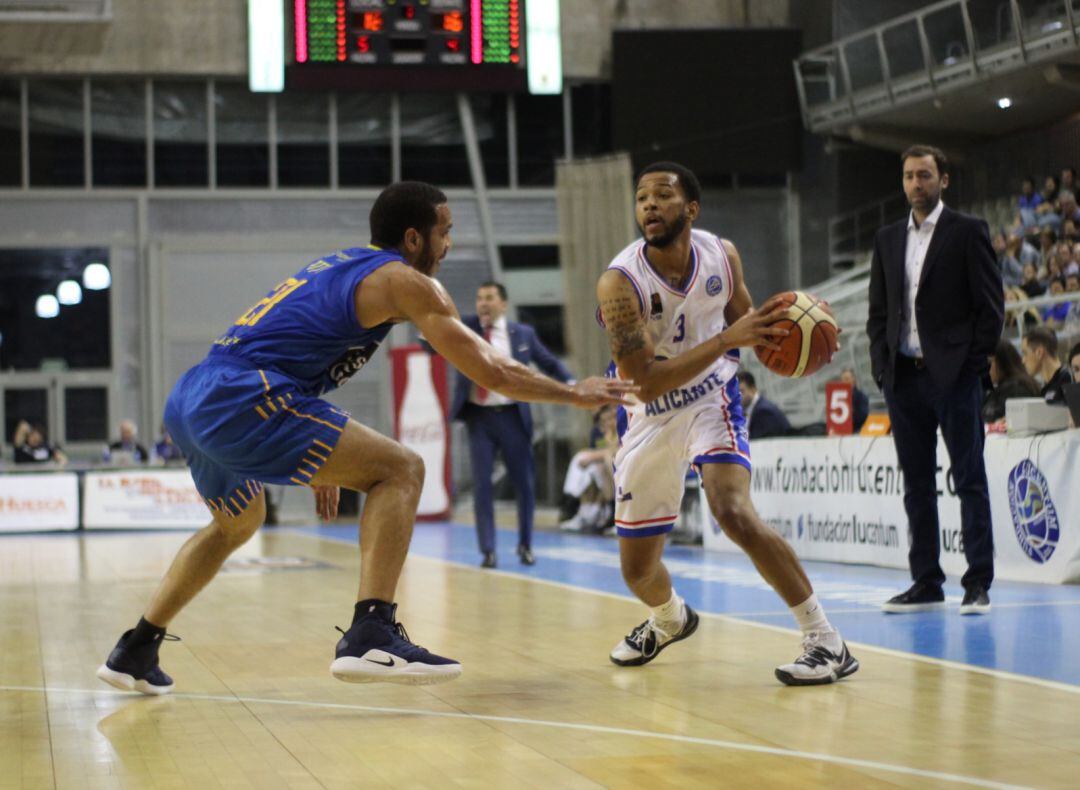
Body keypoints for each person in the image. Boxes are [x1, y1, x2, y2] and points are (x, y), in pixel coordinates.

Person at [96, 181, 633, 696]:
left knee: (238, 522)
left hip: (194, 396)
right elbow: (490, 372)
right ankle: (372, 631)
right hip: (242, 396)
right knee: (402, 469)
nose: (451, 245)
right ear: (414, 238)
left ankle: (137, 647)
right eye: (445, 231)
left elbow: (286, 348)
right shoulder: (406, 281)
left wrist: (322, 454)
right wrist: (575, 392)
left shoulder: (342, 265)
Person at [596, 161, 858, 686]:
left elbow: (749, 320)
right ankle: (670, 618)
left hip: (714, 397)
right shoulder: (620, 284)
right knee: (638, 571)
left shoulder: (722, 254)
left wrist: (799, 336)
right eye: (642, 197)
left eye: (662, 195)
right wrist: (724, 341)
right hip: (647, 413)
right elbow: (646, 382)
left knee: (733, 511)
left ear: (690, 209)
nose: (648, 205)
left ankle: (826, 640)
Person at [866, 144, 1003, 616]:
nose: (915, 184)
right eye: (908, 176)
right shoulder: (887, 239)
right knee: (916, 486)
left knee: (969, 480)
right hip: (904, 379)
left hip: (954, 378)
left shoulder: (967, 231)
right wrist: (882, 368)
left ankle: (977, 582)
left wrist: (972, 366)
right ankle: (926, 581)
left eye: (924, 175)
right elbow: (878, 312)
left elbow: (991, 308)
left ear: (943, 179)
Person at [442, 281, 574, 568]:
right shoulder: (466, 331)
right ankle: (487, 550)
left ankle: (525, 545)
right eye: (479, 298)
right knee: (482, 487)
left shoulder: (522, 334)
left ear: (503, 303)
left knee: (524, 485)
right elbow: (433, 336)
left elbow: (548, 362)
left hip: (513, 415)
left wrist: (574, 386)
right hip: (480, 418)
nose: (483, 303)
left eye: (489, 298)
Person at [559, 404, 618, 533]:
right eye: (604, 420)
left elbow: (614, 452)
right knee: (590, 469)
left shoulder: (621, 429)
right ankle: (578, 508)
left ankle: (609, 512)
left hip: (619, 471)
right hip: (605, 472)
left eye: (610, 419)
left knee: (603, 463)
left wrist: (601, 452)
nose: (607, 422)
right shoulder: (598, 431)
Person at [982, 340, 1039, 424]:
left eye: (989, 362)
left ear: (1001, 362)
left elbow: (989, 416)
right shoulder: (1004, 387)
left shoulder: (1016, 388)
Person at [1021, 326, 1073, 405]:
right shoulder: (1044, 388)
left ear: (1039, 352)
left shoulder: (1068, 380)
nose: (1023, 360)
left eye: (1025, 353)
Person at [736, 370, 791, 439]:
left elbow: (758, 444)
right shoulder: (752, 408)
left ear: (753, 389)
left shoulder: (764, 412)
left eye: (741, 391)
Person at [839, 367, 870, 433]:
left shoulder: (861, 397)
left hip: (856, 431)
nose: (845, 382)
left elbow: (863, 417)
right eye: (843, 380)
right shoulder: (838, 399)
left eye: (847, 379)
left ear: (853, 380)